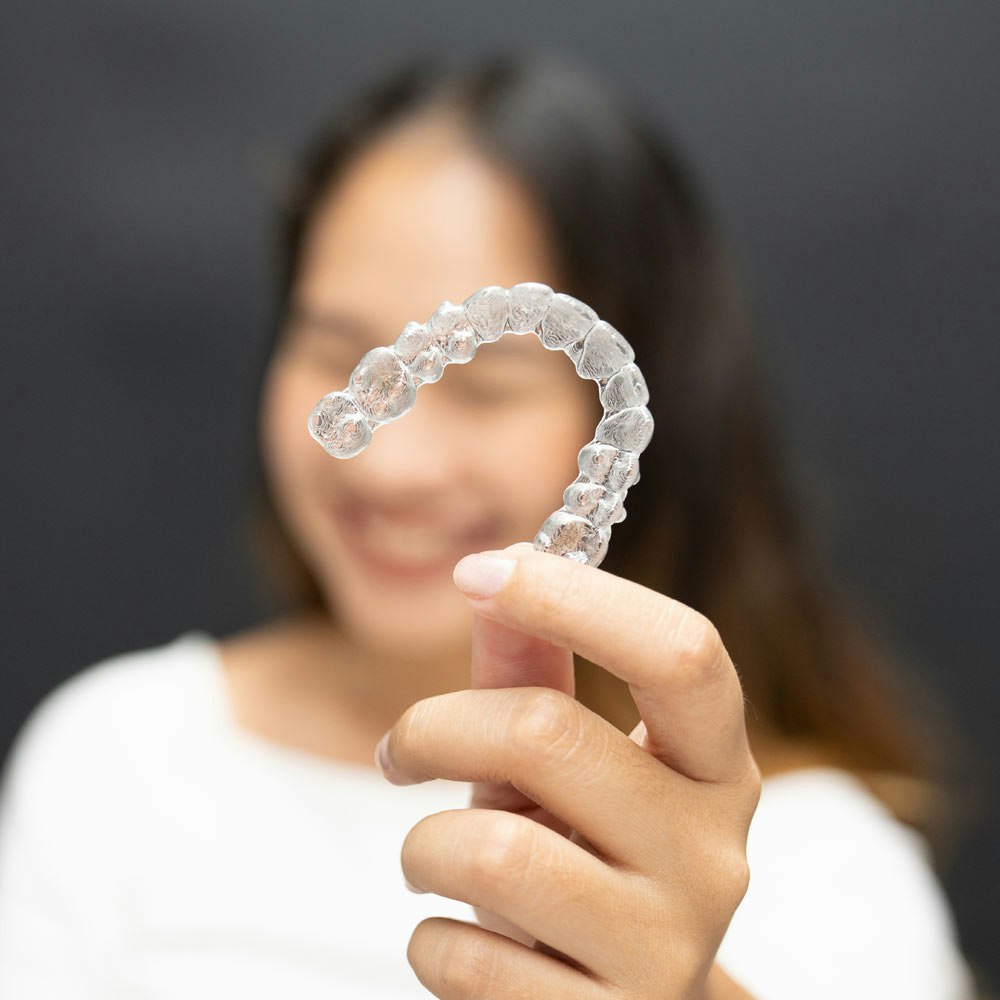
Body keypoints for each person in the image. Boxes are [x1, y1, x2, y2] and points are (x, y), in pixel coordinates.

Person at [0, 52, 978, 999]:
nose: (390, 468)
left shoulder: (826, 872)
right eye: (333, 353)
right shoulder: (113, 759)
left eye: (490, 388)